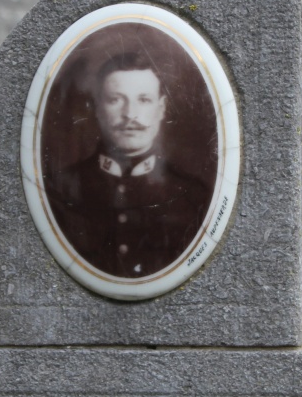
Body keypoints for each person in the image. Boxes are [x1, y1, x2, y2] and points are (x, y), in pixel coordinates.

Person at [45, 51, 211, 279]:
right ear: (97, 108)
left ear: (161, 109)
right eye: (115, 100)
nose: (130, 115)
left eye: (143, 100)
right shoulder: (58, 189)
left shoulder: (194, 197)